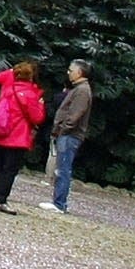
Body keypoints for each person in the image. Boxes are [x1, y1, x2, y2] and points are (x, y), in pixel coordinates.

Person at [0, 58, 48, 213]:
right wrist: (40, 104)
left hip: (1, 133)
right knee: (10, 169)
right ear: (31, 77)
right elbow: (37, 118)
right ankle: (0, 199)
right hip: (17, 137)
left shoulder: (8, 90)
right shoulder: (29, 94)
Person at [45, 59, 94, 215]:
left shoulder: (82, 91)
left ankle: (59, 203)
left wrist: (63, 130)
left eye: (70, 70)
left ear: (79, 72)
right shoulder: (78, 89)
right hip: (67, 134)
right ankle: (58, 201)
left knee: (63, 169)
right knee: (61, 168)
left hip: (70, 135)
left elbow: (75, 115)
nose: (68, 72)